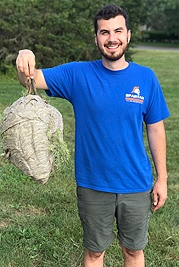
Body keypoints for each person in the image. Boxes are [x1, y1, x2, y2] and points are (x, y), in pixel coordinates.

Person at [16, 4, 170, 267]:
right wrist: (25, 57)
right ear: (96, 38)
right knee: (95, 253)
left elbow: (155, 128)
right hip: (93, 184)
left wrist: (162, 179)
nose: (112, 38)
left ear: (128, 35)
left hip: (136, 183)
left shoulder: (146, 78)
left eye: (118, 31)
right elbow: (30, 79)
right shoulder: (78, 75)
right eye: (104, 32)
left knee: (133, 252)